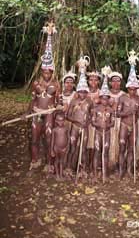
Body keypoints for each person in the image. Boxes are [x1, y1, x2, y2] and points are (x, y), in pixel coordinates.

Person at [25, 22, 60, 173]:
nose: (46, 73)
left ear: (52, 71)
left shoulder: (57, 84)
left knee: (49, 138)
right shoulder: (36, 83)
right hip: (37, 113)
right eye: (44, 71)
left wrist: (57, 111)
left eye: (49, 71)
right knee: (34, 138)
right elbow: (33, 99)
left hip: (49, 114)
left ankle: (49, 163)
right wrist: (28, 111)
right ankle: (34, 160)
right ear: (42, 70)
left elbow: (58, 101)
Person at [118, 51, 139, 180]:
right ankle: (121, 170)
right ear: (127, 87)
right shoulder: (122, 98)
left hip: (134, 125)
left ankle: (129, 170)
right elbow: (118, 113)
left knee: (132, 148)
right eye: (130, 88)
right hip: (123, 125)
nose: (132, 90)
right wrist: (128, 112)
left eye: (134, 88)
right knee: (122, 147)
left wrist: (138, 111)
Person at [67, 60, 92, 179]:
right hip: (75, 128)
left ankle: (83, 169)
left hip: (85, 128)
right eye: (80, 91)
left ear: (87, 92)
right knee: (72, 147)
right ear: (77, 91)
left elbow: (92, 115)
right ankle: (69, 168)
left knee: (84, 148)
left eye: (84, 92)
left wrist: (88, 121)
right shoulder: (74, 101)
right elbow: (67, 115)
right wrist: (76, 122)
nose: (82, 93)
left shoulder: (89, 102)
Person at [92, 67, 115, 182]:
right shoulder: (96, 109)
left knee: (105, 152)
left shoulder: (111, 110)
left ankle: (105, 174)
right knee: (97, 152)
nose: (105, 101)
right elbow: (92, 121)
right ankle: (96, 174)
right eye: (103, 98)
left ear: (109, 99)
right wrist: (98, 125)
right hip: (97, 133)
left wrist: (108, 126)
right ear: (100, 98)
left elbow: (113, 123)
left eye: (107, 99)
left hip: (107, 133)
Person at [108, 72, 125, 172]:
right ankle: (109, 163)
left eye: (118, 81)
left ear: (120, 82)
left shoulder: (124, 94)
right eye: (113, 81)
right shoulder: (106, 93)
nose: (115, 83)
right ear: (110, 82)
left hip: (120, 122)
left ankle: (118, 163)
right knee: (109, 142)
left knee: (119, 143)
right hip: (108, 121)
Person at [87, 71, 101, 174]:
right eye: (91, 79)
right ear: (88, 80)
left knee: (94, 145)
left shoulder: (101, 92)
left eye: (95, 80)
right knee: (85, 145)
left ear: (99, 81)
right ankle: (84, 165)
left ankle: (93, 165)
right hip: (85, 122)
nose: (93, 82)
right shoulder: (83, 91)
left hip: (96, 123)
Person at [51, 112, 69, 181]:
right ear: (56, 121)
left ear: (64, 121)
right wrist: (52, 150)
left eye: (62, 120)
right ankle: (57, 175)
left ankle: (61, 175)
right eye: (58, 120)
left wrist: (67, 147)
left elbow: (68, 138)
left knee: (61, 162)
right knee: (56, 161)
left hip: (63, 148)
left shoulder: (66, 129)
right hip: (56, 148)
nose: (60, 122)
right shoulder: (54, 130)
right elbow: (52, 140)